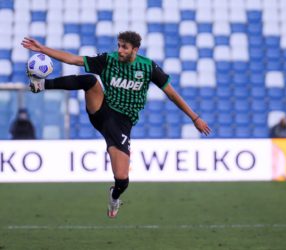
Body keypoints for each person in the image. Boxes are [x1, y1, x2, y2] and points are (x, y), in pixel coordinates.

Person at [21, 31, 211, 218]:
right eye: (118, 45)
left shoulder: (148, 68)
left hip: (122, 123)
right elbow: (74, 59)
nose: (119, 50)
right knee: (89, 80)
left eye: (124, 47)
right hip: (102, 110)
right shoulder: (108, 60)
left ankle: (114, 196)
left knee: (122, 179)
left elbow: (171, 94)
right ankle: (41, 85)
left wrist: (195, 118)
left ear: (135, 49)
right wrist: (42, 49)